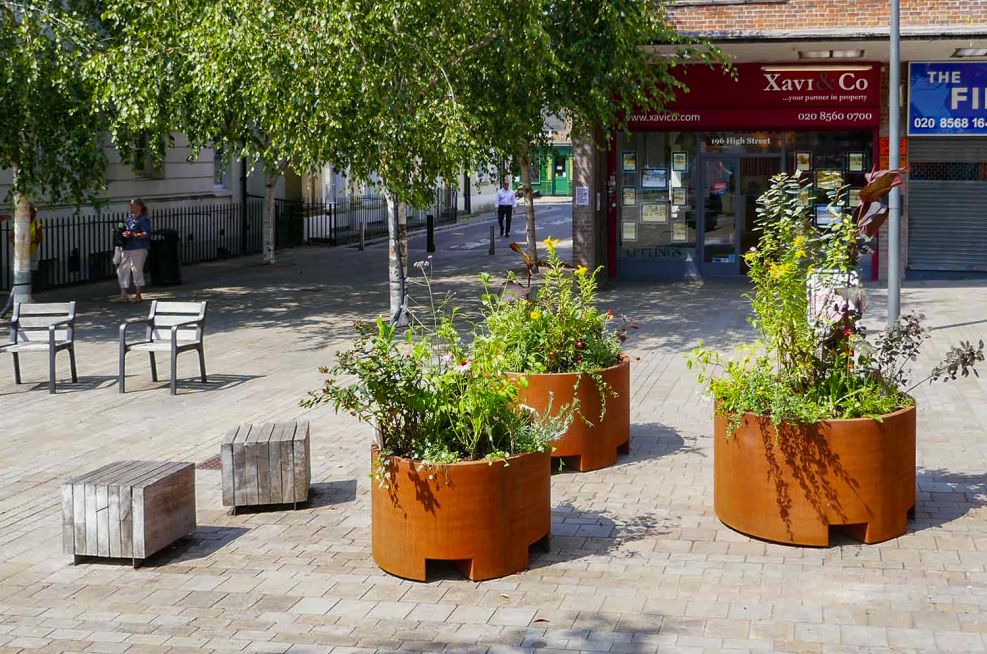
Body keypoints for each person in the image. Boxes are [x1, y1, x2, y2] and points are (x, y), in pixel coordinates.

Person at [114, 198, 151, 303]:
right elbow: (124, 230)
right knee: (122, 270)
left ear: (140, 207)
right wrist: (121, 233)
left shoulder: (143, 219)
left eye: (133, 205)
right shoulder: (128, 219)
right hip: (127, 247)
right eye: (130, 205)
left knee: (136, 270)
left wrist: (134, 234)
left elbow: (146, 234)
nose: (131, 207)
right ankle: (124, 295)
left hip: (139, 247)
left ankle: (138, 295)